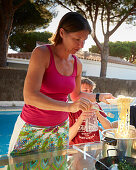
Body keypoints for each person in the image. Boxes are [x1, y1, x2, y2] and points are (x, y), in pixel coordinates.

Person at [8, 11, 114, 159]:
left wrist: (100, 97)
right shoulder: (42, 53)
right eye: (77, 39)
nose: (81, 45)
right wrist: (69, 107)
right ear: (62, 33)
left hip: (60, 130)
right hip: (32, 127)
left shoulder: (77, 63)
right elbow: (30, 96)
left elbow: (76, 95)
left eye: (84, 40)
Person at [69, 77, 112, 145]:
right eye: (85, 90)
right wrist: (80, 119)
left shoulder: (95, 106)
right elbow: (67, 137)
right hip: (76, 149)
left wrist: (98, 114)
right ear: (77, 93)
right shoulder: (71, 109)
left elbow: (109, 128)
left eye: (91, 91)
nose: (89, 94)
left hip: (94, 147)